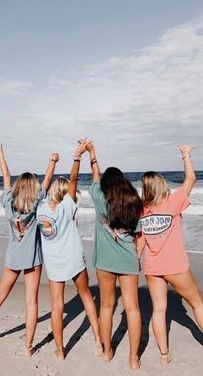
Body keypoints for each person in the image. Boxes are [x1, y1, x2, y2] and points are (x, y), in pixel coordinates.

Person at [0, 144, 59, 356]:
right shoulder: (36, 202)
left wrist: (1, 155)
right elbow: (47, 181)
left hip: (13, 258)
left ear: (18, 187)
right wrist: (53, 162)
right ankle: (28, 348)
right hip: (32, 260)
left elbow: (6, 176)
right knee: (32, 302)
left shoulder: (8, 202)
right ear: (33, 189)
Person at [137, 144, 203, 365]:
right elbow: (191, 178)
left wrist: (134, 261)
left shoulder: (142, 211)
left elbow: (140, 243)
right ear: (161, 186)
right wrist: (185, 155)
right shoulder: (172, 203)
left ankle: (164, 356)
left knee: (158, 310)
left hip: (153, 268)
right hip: (175, 266)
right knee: (197, 304)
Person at [37, 139, 102, 360]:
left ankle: (59, 350)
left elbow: (43, 184)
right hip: (73, 259)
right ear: (66, 192)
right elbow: (73, 178)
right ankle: (98, 341)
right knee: (86, 297)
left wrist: (52, 162)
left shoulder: (40, 207)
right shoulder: (68, 204)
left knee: (57, 306)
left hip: (54, 262)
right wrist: (78, 156)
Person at [86, 141, 143, 370]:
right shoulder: (133, 202)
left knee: (107, 307)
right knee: (133, 308)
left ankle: (108, 351)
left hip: (105, 262)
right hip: (128, 259)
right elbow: (139, 235)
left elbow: (95, 177)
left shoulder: (99, 197)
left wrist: (92, 153)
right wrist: (136, 257)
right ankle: (133, 359)